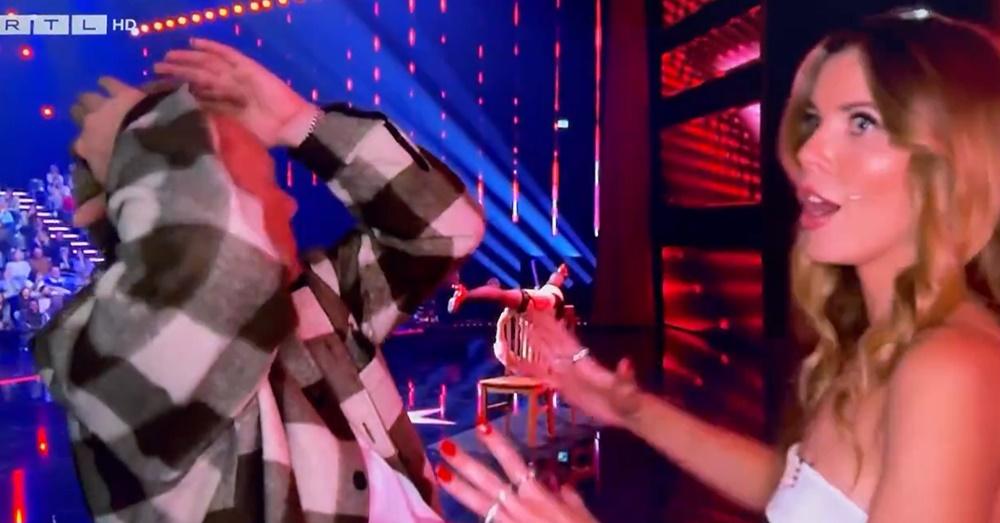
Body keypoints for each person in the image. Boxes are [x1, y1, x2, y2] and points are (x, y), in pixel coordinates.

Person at [437, 10, 1000, 522]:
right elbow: (802, 492)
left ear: (956, 159)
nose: (807, 152)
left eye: (861, 123)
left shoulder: (950, 370)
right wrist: (629, 409)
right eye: (813, 119)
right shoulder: (886, 341)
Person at [33, 37, 484, 522]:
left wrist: (301, 124)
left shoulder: (314, 298)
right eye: (250, 188)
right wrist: (141, 133)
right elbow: (223, 274)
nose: (287, 205)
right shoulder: (100, 354)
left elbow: (447, 230)